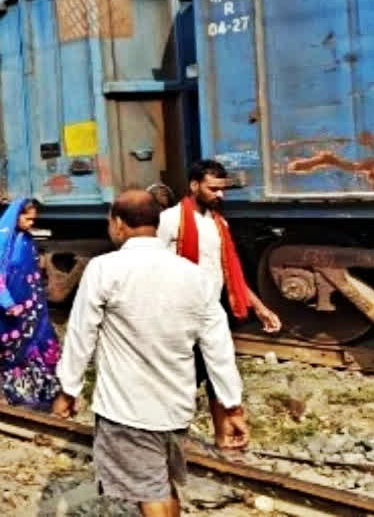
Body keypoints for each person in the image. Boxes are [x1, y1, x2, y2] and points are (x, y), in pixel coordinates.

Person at [54, 190, 247, 517]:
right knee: (161, 483)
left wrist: (68, 389)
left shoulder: (104, 269)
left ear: (117, 224)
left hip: (128, 411)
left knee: (149, 490)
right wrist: (231, 404)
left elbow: (80, 334)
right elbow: (218, 345)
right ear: (157, 225)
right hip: (176, 407)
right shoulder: (194, 275)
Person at [157, 160, 280, 440]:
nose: (220, 195)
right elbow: (154, 267)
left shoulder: (218, 223)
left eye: (222, 189)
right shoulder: (170, 220)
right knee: (183, 378)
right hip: (180, 312)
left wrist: (259, 308)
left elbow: (231, 271)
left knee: (219, 372)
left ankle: (223, 435)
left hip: (213, 309)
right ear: (194, 185)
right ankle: (171, 439)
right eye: (213, 189)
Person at [0, 198, 61, 410]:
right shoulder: (2, 240)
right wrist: (8, 303)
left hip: (34, 308)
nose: (31, 223)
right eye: (27, 218)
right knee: (16, 349)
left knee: (44, 342)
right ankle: (19, 395)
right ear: (16, 216)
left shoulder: (25, 238)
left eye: (33, 219)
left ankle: (44, 393)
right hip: (12, 309)